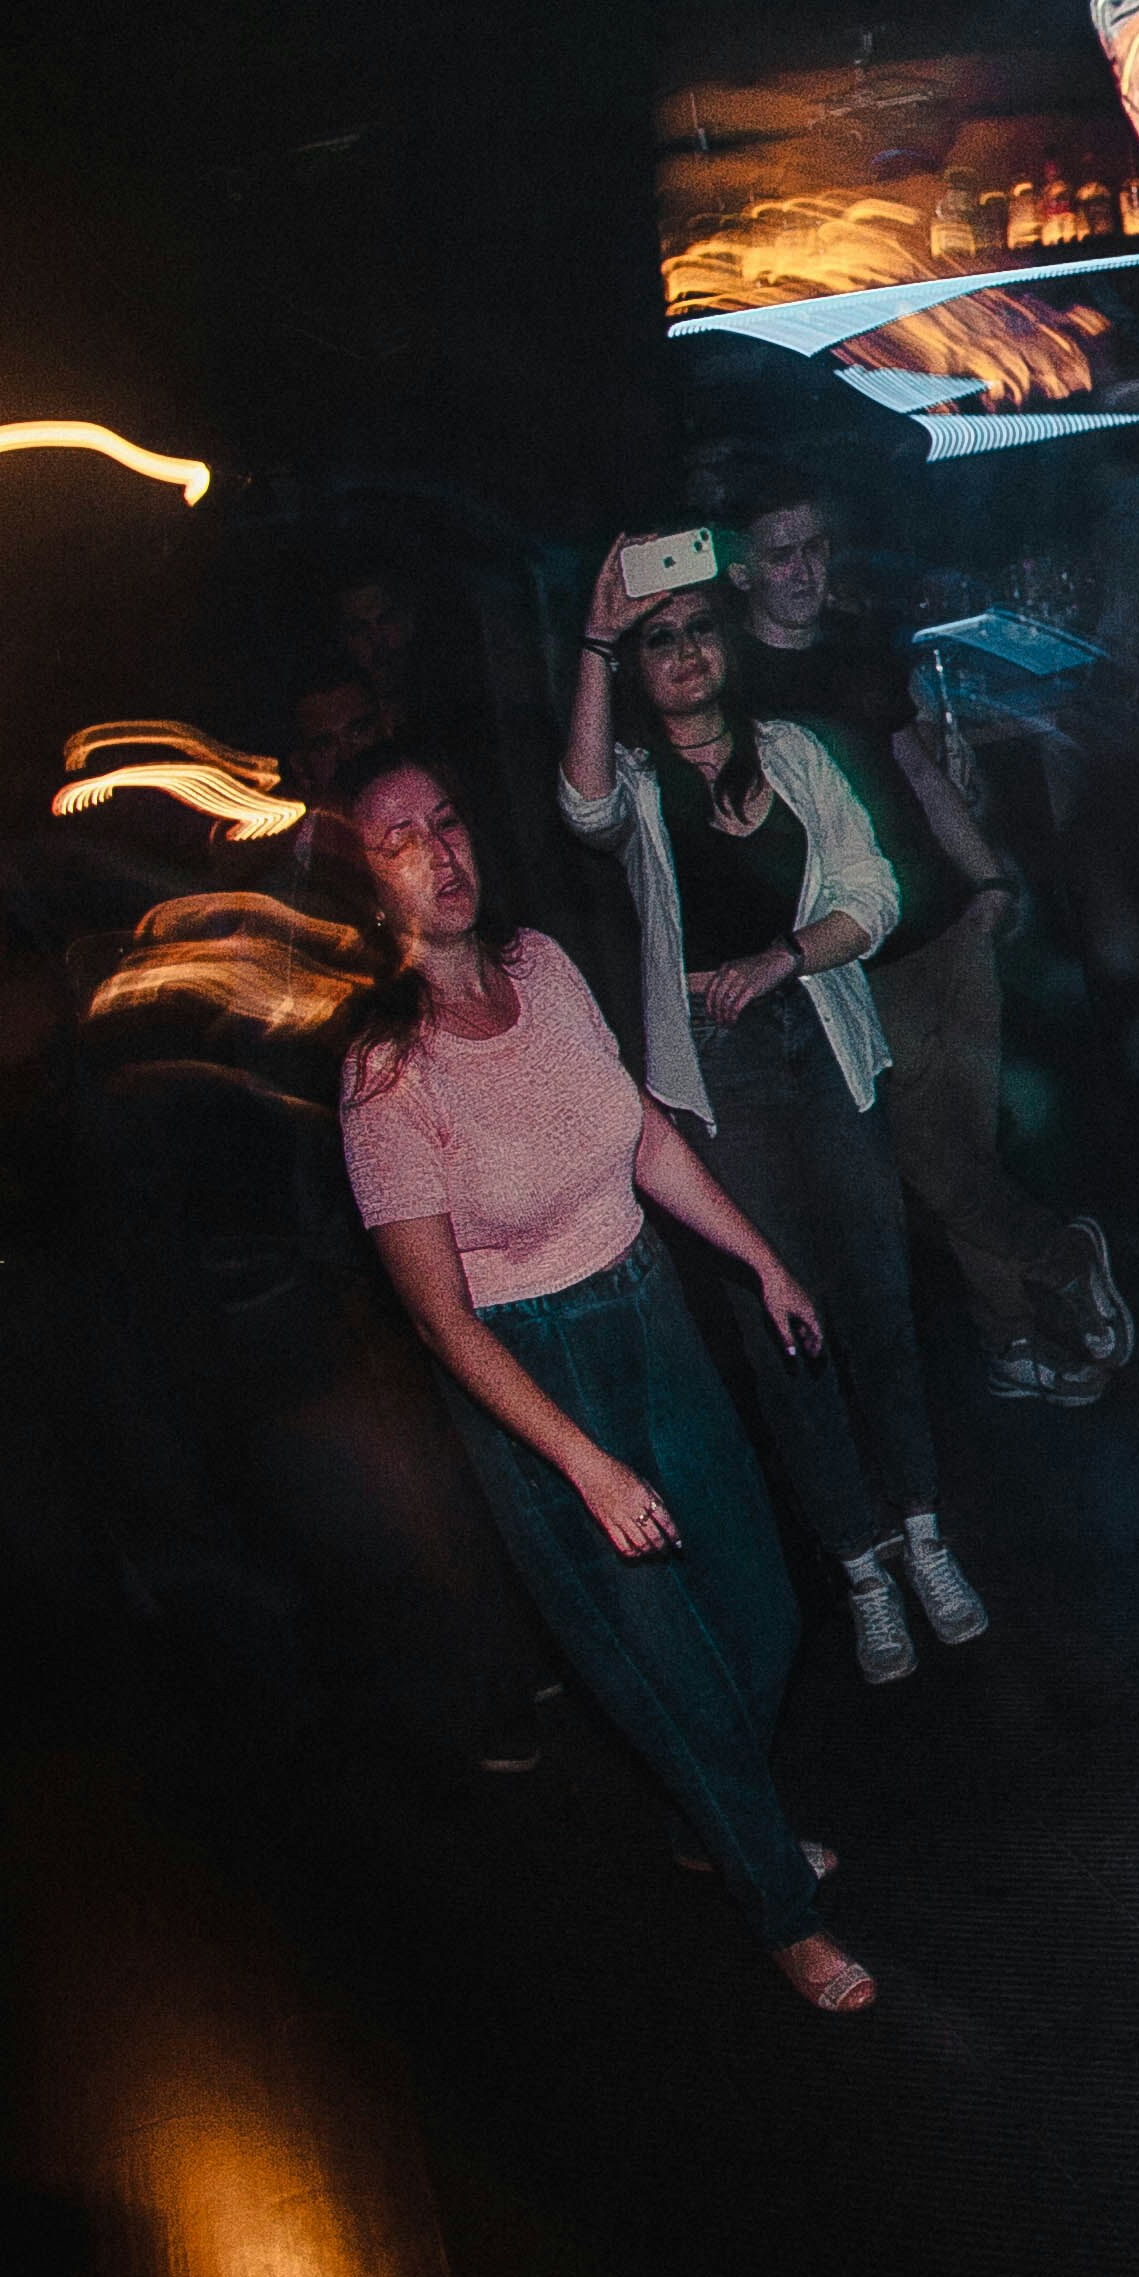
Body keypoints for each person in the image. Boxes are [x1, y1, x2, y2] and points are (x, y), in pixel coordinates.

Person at [326, 746, 873, 2010]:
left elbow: (641, 1134)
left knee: (763, 1613)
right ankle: (781, 1911)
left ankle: (707, 1814)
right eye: (401, 840)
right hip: (535, 1371)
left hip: (649, 1311)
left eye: (449, 820)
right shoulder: (385, 1076)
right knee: (669, 1664)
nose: (440, 852)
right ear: (367, 885)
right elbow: (440, 1326)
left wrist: (761, 1260)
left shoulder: (544, 967)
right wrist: (585, 1465)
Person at [561, 537, 989, 1686]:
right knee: (784, 1322)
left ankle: (925, 1537)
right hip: (717, 1071)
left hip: (822, 1040)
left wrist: (783, 958)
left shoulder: (794, 750)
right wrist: (597, 638)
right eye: (659, 639)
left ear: (727, 641)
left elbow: (875, 891)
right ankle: (862, 1571)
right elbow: (581, 806)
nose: (684, 651)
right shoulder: (638, 783)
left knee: (879, 1297)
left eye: (699, 627)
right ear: (638, 665)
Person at [705, 458, 1132, 1408]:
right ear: (741, 571)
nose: (806, 570)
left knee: (959, 1154)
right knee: (932, 1165)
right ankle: (1057, 1254)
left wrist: (989, 880)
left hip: (943, 920)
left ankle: (1013, 1338)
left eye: (816, 548)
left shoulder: (858, 649)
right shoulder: (727, 681)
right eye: (782, 555)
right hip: (850, 955)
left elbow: (923, 773)